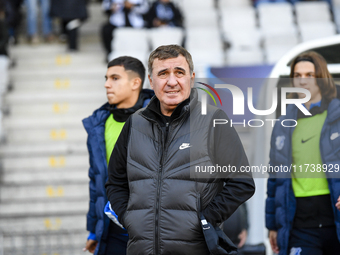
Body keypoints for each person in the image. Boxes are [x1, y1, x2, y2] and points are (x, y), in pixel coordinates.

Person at [105, 44, 255, 254]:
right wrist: (129, 218)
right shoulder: (134, 123)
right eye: (163, 73)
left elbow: (242, 182)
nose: (172, 81)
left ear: (191, 78)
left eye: (179, 72)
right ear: (151, 80)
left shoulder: (213, 119)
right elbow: (115, 182)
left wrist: (204, 220)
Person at [265, 51, 340, 255]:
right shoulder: (282, 124)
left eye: (310, 75)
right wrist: (272, 225)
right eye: (298, 75)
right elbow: (275, 179)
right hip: (299, 226)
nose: (303, 81)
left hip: (336, 220)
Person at [82, 56, 154, 254]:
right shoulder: (98, 125)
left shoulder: (161, 118)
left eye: (115, 78)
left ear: (135, 83)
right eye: (106, 78)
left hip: (153, 230)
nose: (107, 84)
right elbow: (96, 181)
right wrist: (94, 231)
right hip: (112, 230)